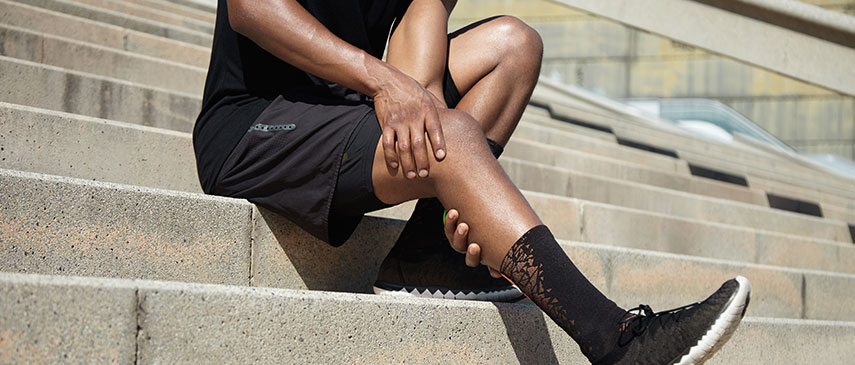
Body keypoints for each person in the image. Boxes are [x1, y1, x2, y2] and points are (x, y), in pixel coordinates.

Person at [193, 0, 752, 363]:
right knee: (452, 133)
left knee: (513, 45)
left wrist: (453, 178)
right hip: (256, 126)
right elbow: (252, 7)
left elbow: (422, 79)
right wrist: (383, 83)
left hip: (346, 116)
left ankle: (427, 255)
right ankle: (616, 341)